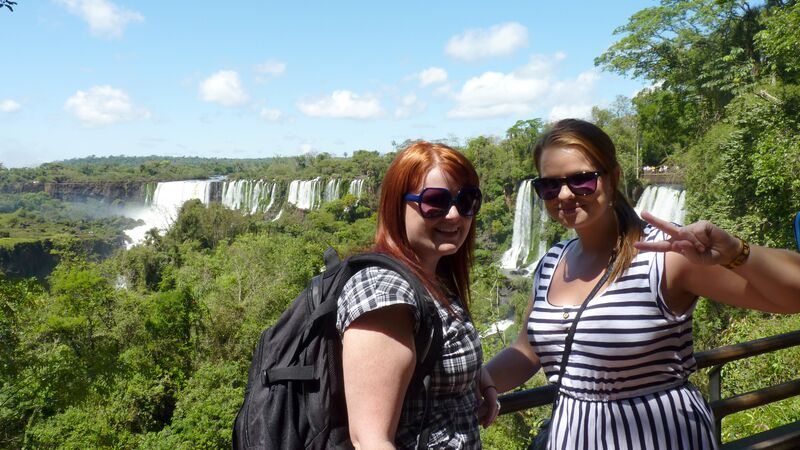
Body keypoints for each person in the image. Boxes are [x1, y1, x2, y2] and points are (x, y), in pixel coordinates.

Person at [484, 119, 800, 449]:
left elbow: (793, 296)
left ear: (614, 177)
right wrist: (474, 382)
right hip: (572, 436)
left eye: (581, 180)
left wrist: (737, 252)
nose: (563, 194)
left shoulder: (666, 253)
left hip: (659, 436)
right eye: (549, 186)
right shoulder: (551, 261)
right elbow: (526, 351)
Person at [338, 141, 499, 449]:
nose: (454, 215)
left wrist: (484, 380)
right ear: (397, 206)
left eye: (467, 201)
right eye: (434, 201)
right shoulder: (385, 295)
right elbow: (370, 441)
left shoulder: (433, 277)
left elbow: (440, 350)